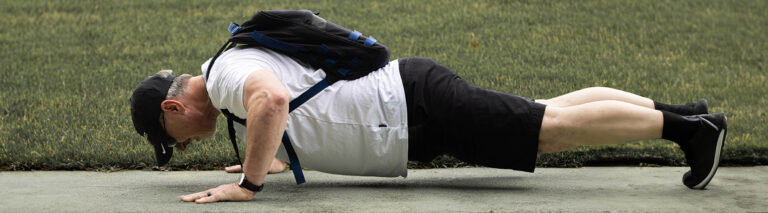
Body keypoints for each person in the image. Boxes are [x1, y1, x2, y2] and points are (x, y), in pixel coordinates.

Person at [130, 46, 727, 204]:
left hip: (411, 108)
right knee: (549, 110)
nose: (177, 149)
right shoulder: (229, 75)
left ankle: (690, 131)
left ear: (174, 108)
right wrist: (274, 157)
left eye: (169, 142)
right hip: (408, 108)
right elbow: (290, 109)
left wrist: (250, 184)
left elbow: (274, 101)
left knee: (548, 128)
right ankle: (681, 111)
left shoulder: (230, 78)